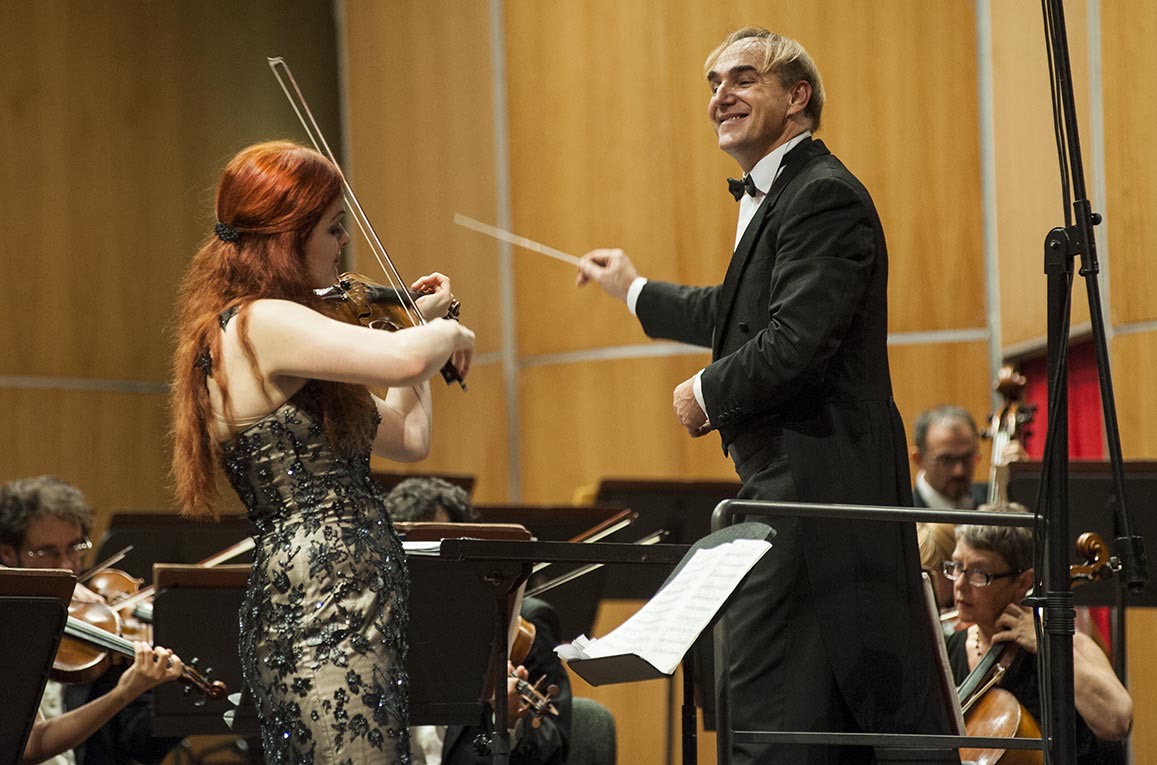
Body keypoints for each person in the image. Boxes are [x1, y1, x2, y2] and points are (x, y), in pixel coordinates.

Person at [576, 26, 952, 764]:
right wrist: (633, 290)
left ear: (797, 95)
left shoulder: (822, 195)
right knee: (792, 712)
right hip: (790, 487)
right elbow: (735, 311)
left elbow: (796, 339)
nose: (721, 95)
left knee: (767, 711)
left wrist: (705, 393)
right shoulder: (789, 194)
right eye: (713, 83)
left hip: (813, 488)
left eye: (743, 78)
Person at [169, 140, 475, 764]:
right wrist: (446, 330)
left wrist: (417, 329)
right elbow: (407, 356)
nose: (343, 245)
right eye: (334, 228)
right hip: (324, 603)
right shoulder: (260, 322)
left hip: (349, 598)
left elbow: (410, 439)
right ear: (288, 235)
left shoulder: (290, 332)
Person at [383, 478, 572, 765]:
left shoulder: (524, 626)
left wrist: (509, 723)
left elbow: (553, 749)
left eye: (434, 559)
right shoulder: (374, 631)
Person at [0, 475, 185, 765]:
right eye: (46, 552)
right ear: (8, 554)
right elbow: (28, 748)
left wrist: (167, 693)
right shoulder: (10, 630)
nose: (66, 566)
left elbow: (140, 743)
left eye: (75, 548)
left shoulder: (103, 626)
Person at [945, 517, 1133, 764]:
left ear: (1024, 582)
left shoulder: (1067, 645)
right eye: (957, 567)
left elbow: (1117, 721)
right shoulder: (948, 652)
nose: (959, 584)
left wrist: (1048, 648)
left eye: (980, 573)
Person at [911, 405, 1025, 510]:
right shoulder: (900, 516)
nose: (959, 471)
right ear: (918, 459)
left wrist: (1024, 478)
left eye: (967, 458)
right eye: (946, 460)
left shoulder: (997, 499)